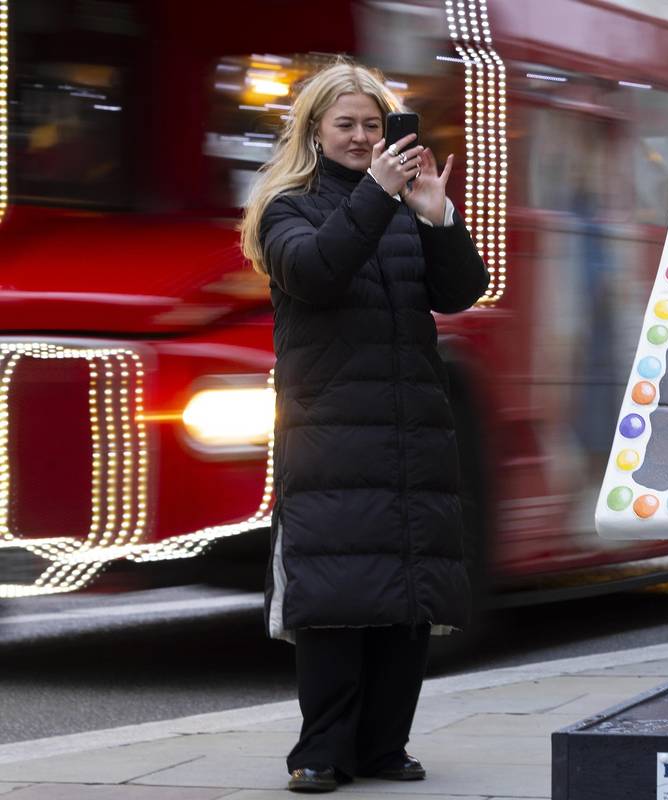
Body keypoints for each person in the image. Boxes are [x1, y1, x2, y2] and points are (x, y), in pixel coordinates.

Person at [239, 60, 488, 794]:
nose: (360, 136)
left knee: (406, 595)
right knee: (335, 599)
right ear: (314, 131)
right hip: (332, 432)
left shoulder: (407, 207)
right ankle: (320, 751)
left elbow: (461, 292)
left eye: (372, 125)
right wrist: (381, 194)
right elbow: (317, 272)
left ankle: (384, 746)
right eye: (345, 124)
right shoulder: (288, 208)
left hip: (411, 430)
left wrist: (437, 214)